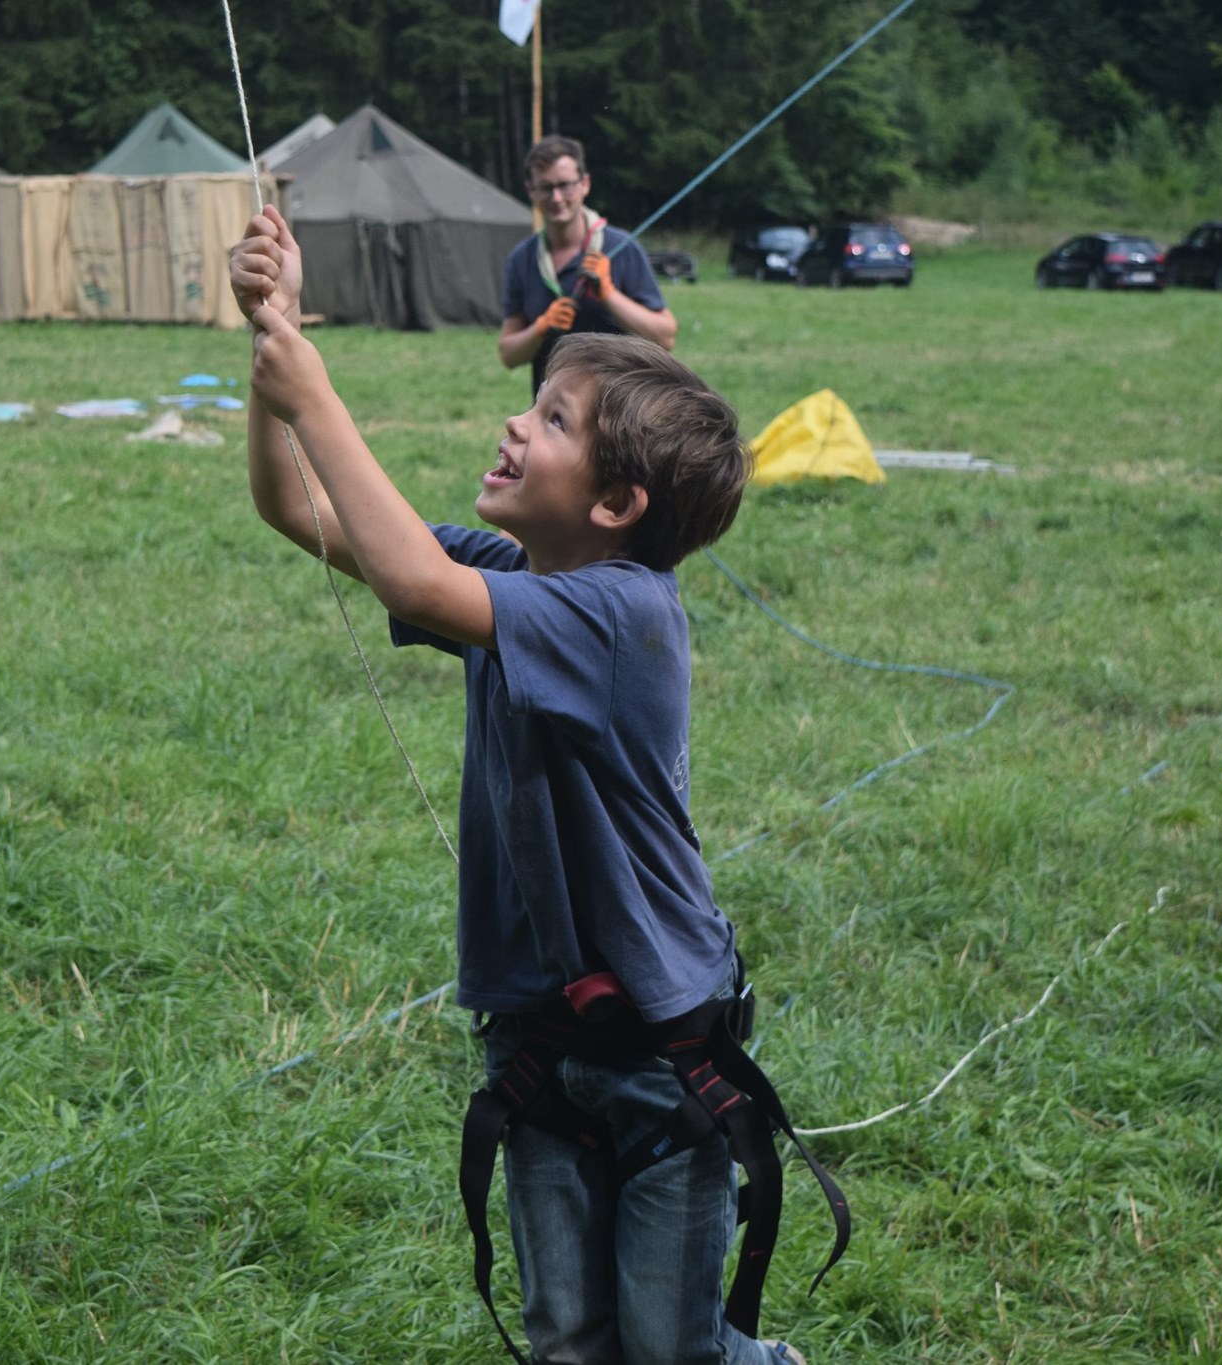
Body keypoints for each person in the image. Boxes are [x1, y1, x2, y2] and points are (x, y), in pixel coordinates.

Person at [231, 205, 826, 1365]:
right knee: (564, 1339)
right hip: (540, 1044)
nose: (514, 419)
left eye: (551, 419)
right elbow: (296, 510)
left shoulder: (618, 613)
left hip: (662, 1059)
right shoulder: (517, 568)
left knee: (672, 1352)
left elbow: (404, 572)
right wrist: (274, 341)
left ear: (615, 507)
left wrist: (315, 389)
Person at [500, 135, 678, 397]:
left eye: (565, 185)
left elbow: (665, 338)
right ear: (531, 191)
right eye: (546, 187)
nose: (557, 197)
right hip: (555, 415)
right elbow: (508, 354)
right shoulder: (522, 259)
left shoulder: (621, 248)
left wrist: (609, 295)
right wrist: (541, 327)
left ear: (585, 184)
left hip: (618, 408)